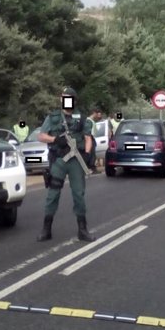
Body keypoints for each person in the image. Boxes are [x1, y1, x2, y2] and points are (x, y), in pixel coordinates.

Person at [37, 87, 96, 242]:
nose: (66, 100)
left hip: (76, 161)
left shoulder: (82, 118)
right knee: (52, 194)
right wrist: (55, 140)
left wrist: (88, 154)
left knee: (79, 195)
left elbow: (88, 137)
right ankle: (46, 230)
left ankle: (82, 230)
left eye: (69, 97)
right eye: (64, 97)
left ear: (74, 100)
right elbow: (41, 136)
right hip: (58, 160)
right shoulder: (53, 117)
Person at [88, 107, 103, 171]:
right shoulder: (89, 121)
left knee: (92, 154)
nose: (98, 116)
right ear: (94, 113)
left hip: (92, 138)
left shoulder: (92, 121)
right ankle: (91, 167)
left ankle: (91, 167)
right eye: (97, 114)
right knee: (91, 154)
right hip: (90, 138)